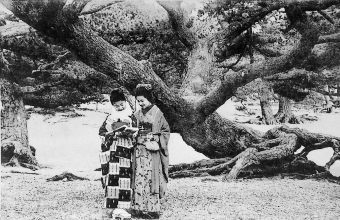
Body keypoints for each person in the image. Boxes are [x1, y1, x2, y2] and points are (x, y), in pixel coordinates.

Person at [131, 84, 170, 219]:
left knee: (151, 178)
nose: (140, 104)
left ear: (149, 99)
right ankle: (137, 208)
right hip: (138, 150)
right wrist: (133, 134)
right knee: (137, 177)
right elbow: (132, 129)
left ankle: (153, 210)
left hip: (152, 151)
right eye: (138, 101)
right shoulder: (136, 114)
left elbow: (165, 131)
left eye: (142, 100)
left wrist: (155, 136)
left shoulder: (158, 113)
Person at [98, 88, 134, 215]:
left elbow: (137, 129)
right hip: (114, 149)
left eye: (121, 104)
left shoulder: (132, 115)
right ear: (112, 105)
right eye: (116, 105)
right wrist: (110, 134)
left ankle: (126, 205)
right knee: (113, 175)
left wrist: (130, 132)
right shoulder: (110, 118)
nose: (119, 107)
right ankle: (112, 204)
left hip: (127, 149)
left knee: (126, 176)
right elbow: (102, 132)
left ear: (125, 102)